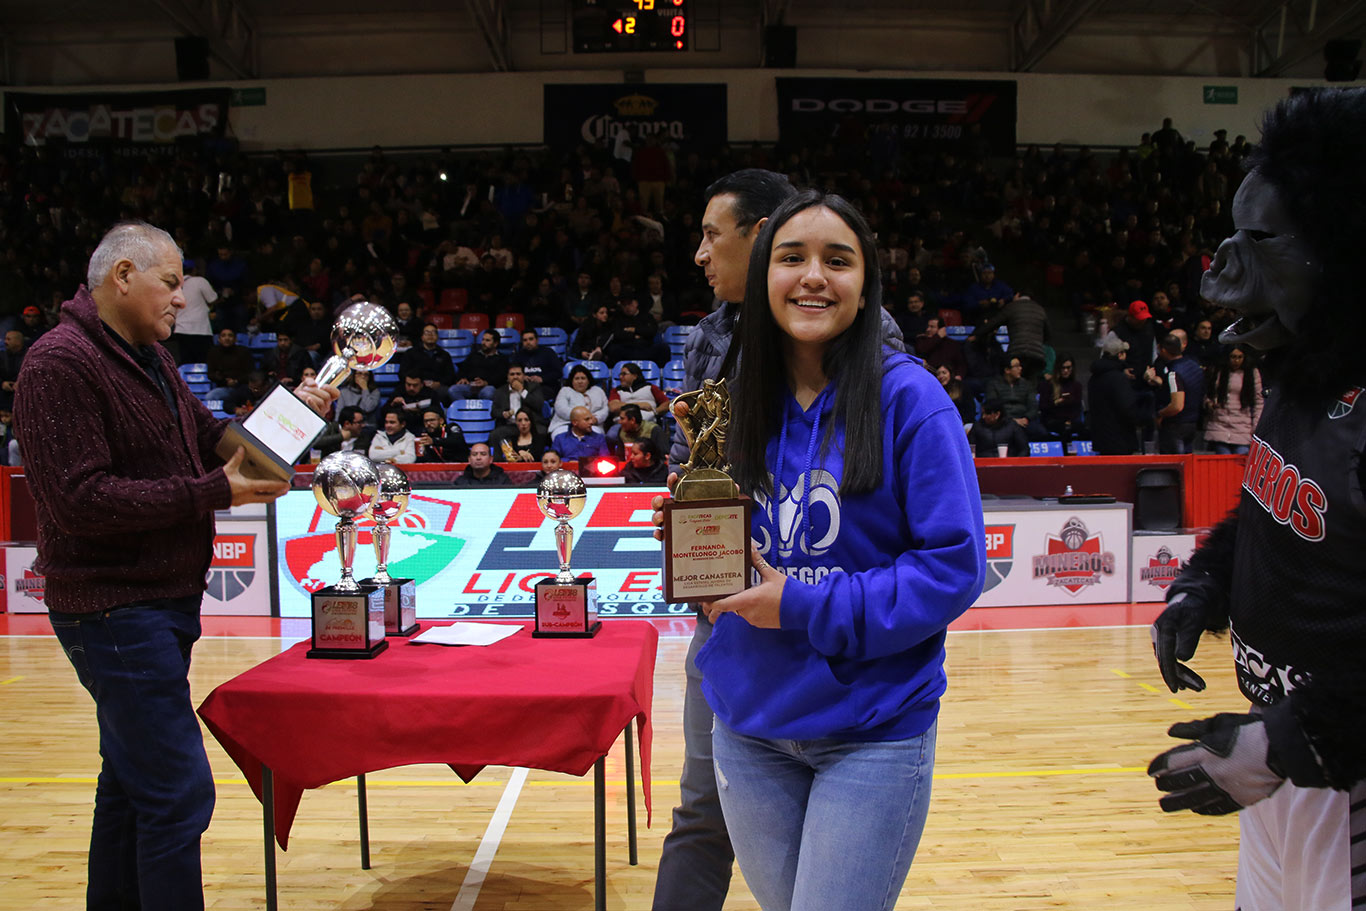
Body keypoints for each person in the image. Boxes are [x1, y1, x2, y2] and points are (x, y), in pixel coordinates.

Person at [656, 191, 984, 911]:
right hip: (747, 727)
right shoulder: (734, 404)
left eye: (838, 260)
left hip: (870, 733)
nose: (813, 276)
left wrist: (800, 604)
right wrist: (691, 538)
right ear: (762, 278)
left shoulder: (912, 401)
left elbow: (953, 568)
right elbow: (733, 567)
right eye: (792, 257)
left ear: (866, 288)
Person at [14, 220, 335, 911]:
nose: (181, 301)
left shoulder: (146, 356)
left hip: (154, 601)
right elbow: (79, 503)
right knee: (178, 793)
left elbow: (211, 436)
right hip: (112, 606)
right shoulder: (57, 363)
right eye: (170, 283)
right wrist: (216, 490)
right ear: (122, 276)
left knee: (129, 786)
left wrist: (292, 420)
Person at [1148, 89, 1366, 911]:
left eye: (1261, 240)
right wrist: (1202, 586)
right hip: (1279, 762)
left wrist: (1286, 739)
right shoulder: (1308, 374)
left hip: (1341, 774)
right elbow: (1268, 510)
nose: (1226, 263)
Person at [1087, 332, 1146, 455]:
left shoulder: (1094, 377)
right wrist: (1141, 420)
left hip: (1100, 439)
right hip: (1120, 440)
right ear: (1120, 355)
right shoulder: (1118, 378)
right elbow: (1127, 407)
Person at [1147, 332, 1204, 453]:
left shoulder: (1174, 373)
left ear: (1164, 350)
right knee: (1188, 466)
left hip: (1175, 426)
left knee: (1175, 467)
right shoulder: (1194, 366)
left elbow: (1177, 406)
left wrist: (1160, 414)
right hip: (1193, 423)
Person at [1202, 345, 1262, 454]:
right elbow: (1208, 395)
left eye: (1240, 357)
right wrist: (1209, 404)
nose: (1236, 361)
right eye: (1233, 357)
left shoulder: (1252, 373)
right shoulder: (1218, 372)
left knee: (1240, 459)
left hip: (1243, 429)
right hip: (1219, 426)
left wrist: (1256, 426)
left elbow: (1259, 402)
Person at [174, 259, 216, 365]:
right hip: (200, 329)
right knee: (204, 362)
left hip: (181, 329)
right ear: (194, 270)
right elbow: (212, 298)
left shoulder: (174, 284)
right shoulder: (199, 281)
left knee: (186, 364)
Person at [1037, 355, 1085, 448]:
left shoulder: (1076, 386)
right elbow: (1043, 407)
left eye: (1068, 368)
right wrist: (1056, 403)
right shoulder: (1047, 385)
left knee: (1083, 429)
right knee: (1065, 429)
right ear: (1058, 368)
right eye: (1063, 368)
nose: (1066, 371)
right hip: (1052, 419)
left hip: (1071, 420)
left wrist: (1069, 420)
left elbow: (1077, 407)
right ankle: (1066, 457)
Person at [549, 364, 609, 437]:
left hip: (592, 425)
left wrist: (595, 419)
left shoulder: (598, 391)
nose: (580, 381)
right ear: (572, 381)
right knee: (560, 436)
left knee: (596, 435)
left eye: (583, 378)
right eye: (576, 378)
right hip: (565, 424)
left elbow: (605, 409)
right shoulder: (565, 391)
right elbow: (561, 409)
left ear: (588, 380)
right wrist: (581, 419)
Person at [450, 329, 506, 402]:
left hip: (487, 387)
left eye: (487, 340)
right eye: (483, 340)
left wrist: (486, 382)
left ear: (495, 343)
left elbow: (501, 377)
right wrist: (462, 378)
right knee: (453, 390)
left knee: (489, 392)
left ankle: (482, 412)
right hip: (470, 386)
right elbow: (463, 368)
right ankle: (466, 410)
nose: (483, 342)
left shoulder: (502, 358)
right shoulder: (474, 355)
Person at [491, 364, 547, 430]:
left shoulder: (534, 387)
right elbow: (494, 412)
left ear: (523, 376)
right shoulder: (500, 391)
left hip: (531, 425)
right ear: (507, 377)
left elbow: (538, 405)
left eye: (518, 374)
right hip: (509, 425)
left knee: (541, 431)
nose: (515, 377)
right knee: (495, 435)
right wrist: (503, 414)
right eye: (512, 374)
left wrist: (522, 390)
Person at [510, 327, 562, 397]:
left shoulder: (548, 353)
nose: (528, 342)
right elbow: (512, 373)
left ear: (537, 340)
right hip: (524, 387)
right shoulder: (518, 356)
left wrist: (542, 379)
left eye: (531, 339)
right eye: (525, 340)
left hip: (545, 387)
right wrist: (522, 377)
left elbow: (558, 372)